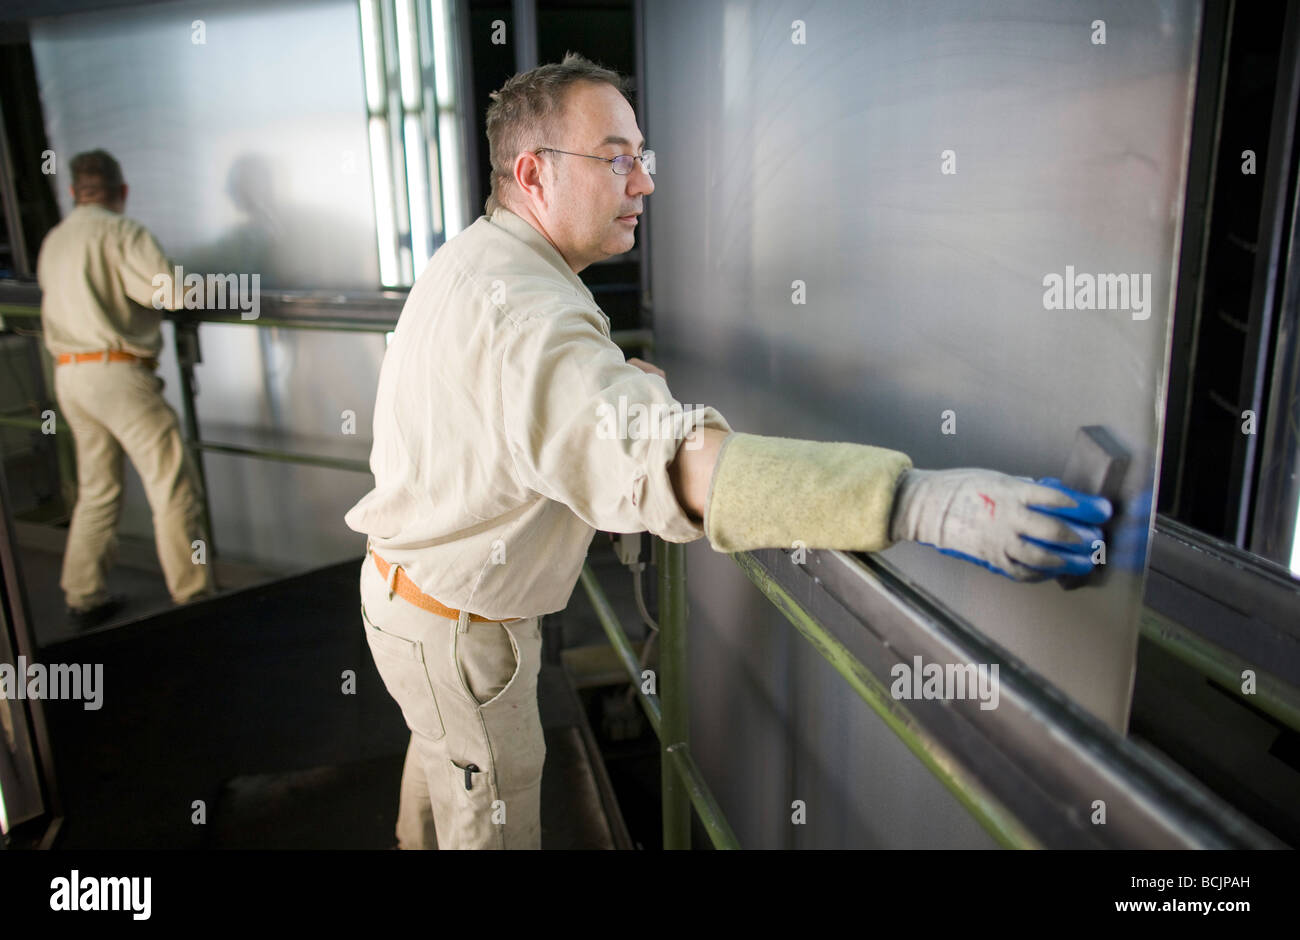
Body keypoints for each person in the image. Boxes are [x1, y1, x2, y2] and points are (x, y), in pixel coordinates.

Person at [344, 53, 1108, 850]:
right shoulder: (531, 318)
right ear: (534, 173)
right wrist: (925, 504)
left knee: (441, 754)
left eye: (643, 157)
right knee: (488, 814)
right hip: (462, 630)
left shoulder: (483, 258)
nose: (643, 183)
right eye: (616, 158)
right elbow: (678, 466)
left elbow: (516, 404)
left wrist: (612, 384)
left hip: (408, 600)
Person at [37, 149, 213, 629]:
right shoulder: (122, 231)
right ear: (123, 190)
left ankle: (83, 592)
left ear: (74, 191)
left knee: (97, 488)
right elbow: (170, 293)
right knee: (171, 485)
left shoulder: (55, 239)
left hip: (70, 375)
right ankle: (193, 597)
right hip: (117, 374)